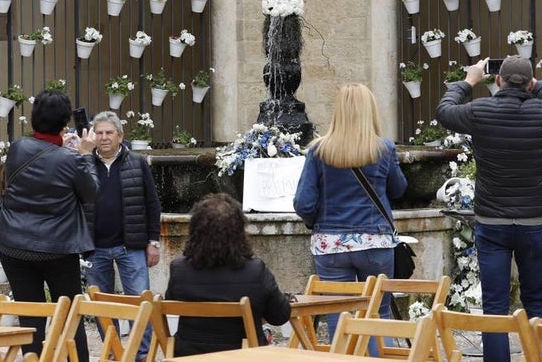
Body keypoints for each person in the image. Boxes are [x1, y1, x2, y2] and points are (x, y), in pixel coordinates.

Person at [435, 55, 542, 362]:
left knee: (494, 307)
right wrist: (540, 86)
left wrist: (468, 81)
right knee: (536, 303)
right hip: (533, 221)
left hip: (492, 221)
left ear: (498, 80)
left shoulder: (479, 111)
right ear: (530, 83)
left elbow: (444, 110)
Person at [0, 90, 98, 361]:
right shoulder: (72, 160)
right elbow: (92, 193)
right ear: (64, 122)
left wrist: (63, 146)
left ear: (34, 117)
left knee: (30, 315)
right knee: (70, 316)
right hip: (56, 248)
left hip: (13, 244)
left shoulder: (18, 148)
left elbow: (45, 160)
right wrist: (85, 154)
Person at [294, 83, 408, 337]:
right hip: (375, 242)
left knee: (338, 316)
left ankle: (343, 353)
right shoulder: (384, 149)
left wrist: (316, 224)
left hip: (331, 245)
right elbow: (399, 189)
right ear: (371, 111)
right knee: (378, 315)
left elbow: (303, 203)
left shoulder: (318, 151)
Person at [165, 192, 291, 356]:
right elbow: (280, 316)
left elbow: (170, 303)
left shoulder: (179, 270)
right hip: (242, 356)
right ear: (239, 232)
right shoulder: (255, 271)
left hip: (188, 356)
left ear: (195, 232)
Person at [85, 111, 162, 360]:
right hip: (95, 249)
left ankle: (142, 355)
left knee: (140, 303)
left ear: (120, 135)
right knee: (102, 307)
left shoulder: (137, 163)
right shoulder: (85, 164)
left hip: (131, 247)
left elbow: (152, 204)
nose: (104, 137)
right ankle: (114, 352)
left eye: (109, 132)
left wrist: (153, 242)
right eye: (99, 133)